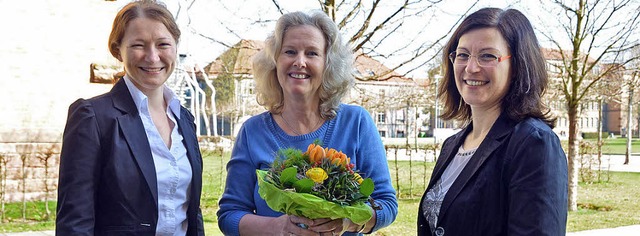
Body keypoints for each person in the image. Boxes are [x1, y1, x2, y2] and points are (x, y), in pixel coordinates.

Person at [217, 10, 398, 236]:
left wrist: (348, 222)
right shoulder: (253, 131)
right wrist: (276, 228)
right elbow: (229, 215)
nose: (299, 62)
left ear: (327, 64)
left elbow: (387, 204)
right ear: (275, 62)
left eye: (312, 53)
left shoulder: (356, 123)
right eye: (290, 52)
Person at [56, 1, 205, 235]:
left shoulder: (184, 119)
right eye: (138, 45)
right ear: (118, 50)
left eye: (163, 44)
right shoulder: (93, 117)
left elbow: (191, 213)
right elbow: (75, 222)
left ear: (175, 47)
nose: (153, 57)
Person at [418, 7, 568, 236]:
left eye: (488, 55)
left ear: (517, 66)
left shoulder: (533, 143)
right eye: (463, 54)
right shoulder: (453, 144)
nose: (471, 67)